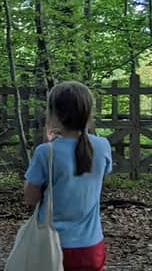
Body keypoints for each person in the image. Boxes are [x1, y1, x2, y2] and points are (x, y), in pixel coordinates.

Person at [24, 81, 113, 271]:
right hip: (92, 245)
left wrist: (49, 144)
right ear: (88, 114)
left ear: (55, 115)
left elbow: (30, 198)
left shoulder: (45, 152)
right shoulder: (103, 146)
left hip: (52, 244)